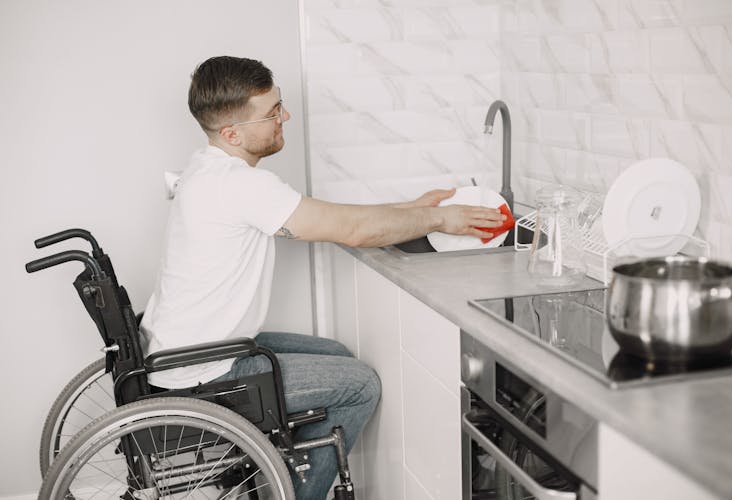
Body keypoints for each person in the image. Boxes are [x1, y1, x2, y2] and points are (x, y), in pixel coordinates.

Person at [139, 55, 506, 499]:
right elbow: (351, 229)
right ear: (232, 133)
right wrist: (438, 221)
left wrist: (418, 210)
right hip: (208, 374)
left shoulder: (210, 168)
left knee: (335, 353)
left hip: (190, 354)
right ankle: (295, 491)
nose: (285, 117)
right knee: (361, 386)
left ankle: (278, 472)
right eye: (273, 112)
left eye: (280, 104)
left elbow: (333, 215)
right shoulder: (241, 186)